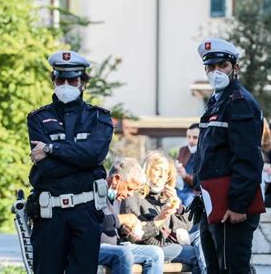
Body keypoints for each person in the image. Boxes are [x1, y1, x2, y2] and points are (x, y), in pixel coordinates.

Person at [26, 50, 113, 274]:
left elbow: (95, 155)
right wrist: (81, 159)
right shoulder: (38, 118)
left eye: (72, 80)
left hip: (86, 211)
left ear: (82, 82)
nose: (65, 84)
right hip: (50, 213)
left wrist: (51, 148)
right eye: (60, 79)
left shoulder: (99, 117)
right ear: (53, 80)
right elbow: (47, 168)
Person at [192, 38, 264, 273]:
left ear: (235, 67)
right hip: (212, 204)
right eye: (210, 67)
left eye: (222, 65)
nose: (216, 72)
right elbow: (207, 153)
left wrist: (238, 205)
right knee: (214, 268)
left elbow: (247, 159)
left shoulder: (239, 103)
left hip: (232, 207)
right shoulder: (216, 102)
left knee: (232, 269)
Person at [121, 151, 205, 274]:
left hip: (170, 244)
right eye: (157, 169)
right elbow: (134, 237)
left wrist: (179, 209)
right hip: (150, 248)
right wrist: (161, 218)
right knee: (196, 254)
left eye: (166, 172)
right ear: (147, 170)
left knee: (202, 240)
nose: (162, 175)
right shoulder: (133, 195)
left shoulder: (165, 196)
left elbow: (186, 228)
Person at [99, 158, 164, 274]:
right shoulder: (96, 191)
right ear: (116, 179)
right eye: (129, 188)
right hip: (94, 247)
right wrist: (123, 219)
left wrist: (124, 229)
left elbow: (113, 224)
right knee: (124, 253)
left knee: (156, 253)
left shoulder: (117, 196)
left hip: (116, 246)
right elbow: (92, 222)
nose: (130, 194)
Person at [176, 123, 200, 207]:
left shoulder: (205, 154)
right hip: (179, 190)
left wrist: (185, 176)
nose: (190, 140)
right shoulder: (183, 150)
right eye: (188, 137)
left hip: (194, 193)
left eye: (195, 137)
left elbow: (200, 183)